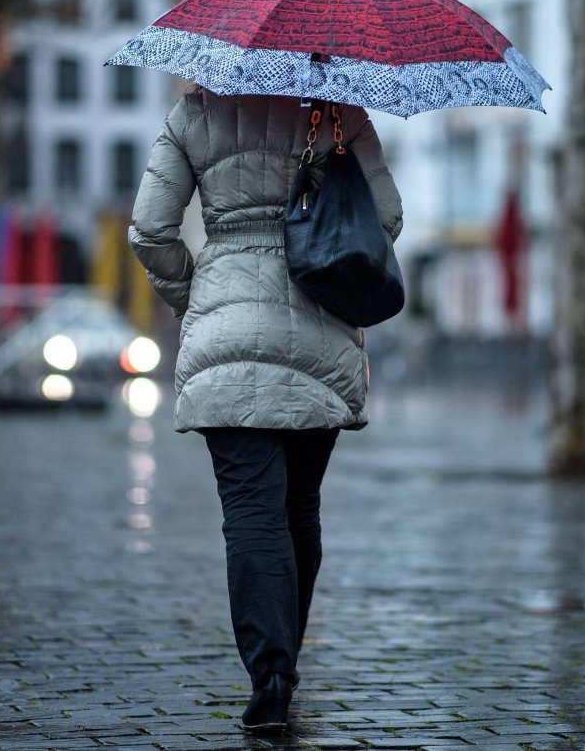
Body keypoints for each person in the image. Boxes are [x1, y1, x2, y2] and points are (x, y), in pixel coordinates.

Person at [128, 86, 403, 732]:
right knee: (298, 508)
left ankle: (269, 675)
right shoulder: (338, 112)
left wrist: (193, 296)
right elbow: (384, 219)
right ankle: (287, 666)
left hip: (223, 330)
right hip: (320, 327)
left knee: (252, 513)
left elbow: (150, 229)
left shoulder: (194, 113)